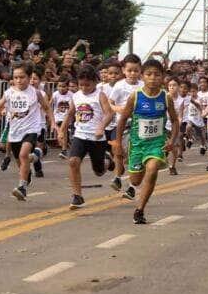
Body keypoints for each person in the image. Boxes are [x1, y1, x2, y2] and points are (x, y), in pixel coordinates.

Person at [115, 58, 180, 224]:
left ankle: (140, 210)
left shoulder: (166, 98)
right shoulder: (135, 97)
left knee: (152, 169)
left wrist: (172, 140)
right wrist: (117, 144)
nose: (153, 78)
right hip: (137, 145)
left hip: (157, 144)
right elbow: (122, 120)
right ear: (143, 76)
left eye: (157, 75)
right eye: (149, 74)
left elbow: (174, 121)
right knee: (136, 180)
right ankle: (137, 174)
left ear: (163, 77)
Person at [0, 62, 55, 200]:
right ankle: (34, 160)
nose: (19, 80)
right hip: (15, 131)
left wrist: (53, 122)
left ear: (30, 77)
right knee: (20, 159)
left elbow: (47, 108)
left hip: (31, 129)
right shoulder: (9, 93)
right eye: (16, 77)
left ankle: (22, 187)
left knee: (24, 155)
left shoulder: (36, 93)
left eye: (22, 77)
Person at [59, 65, 114, 209]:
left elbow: (109, 113)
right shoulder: (76, 96)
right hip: (80, 135)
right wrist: (61, 130)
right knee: (73, 161)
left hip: (96, 138)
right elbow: (70, 113)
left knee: (99, 171)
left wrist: (101, 127)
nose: (84, 88)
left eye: (87, 85)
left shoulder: (99, 95)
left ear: (95, 82)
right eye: (81, 84)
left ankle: (108, 162)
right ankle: (77, 196)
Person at [108, 53, 143, 200]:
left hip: (137, 126)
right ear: (124, 70)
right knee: (118, 152)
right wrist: (120, 110)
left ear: (140, 71)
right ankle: (117, 176)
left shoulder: (143, 86)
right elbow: (110, 103)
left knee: (131, 155)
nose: (133, 74)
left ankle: (132, 186)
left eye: (136, 70)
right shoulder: (119, 86)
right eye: (130, 70)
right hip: (120, 124)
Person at [165, 77, 185, 176]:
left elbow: (180, 115)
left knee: (174, 148)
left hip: (174, 126)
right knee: (164, 146)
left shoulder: (181, 100)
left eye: (174, 85)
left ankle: (172, 166)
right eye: (170, 85)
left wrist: (178, 125)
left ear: (178, 87)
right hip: (164, 126)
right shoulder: (164, 97)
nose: (172, 87)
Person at [52, 75, 73, 159]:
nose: (61, 88)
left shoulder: (71, 95)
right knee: (60, 135)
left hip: (67, 117)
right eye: (59, 86)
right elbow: (50, 103)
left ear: (67, 87)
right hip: (57, 116)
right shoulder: (55, 94)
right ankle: (65, 144)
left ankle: (64, 150)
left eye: (63, 86)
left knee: (63, 131)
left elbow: (72, 107)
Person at [186, 82, 206, 156]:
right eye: (190, 91)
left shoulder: (199, 98)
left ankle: (203, 145)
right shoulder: (187, 98)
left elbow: (199, 106)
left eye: (193, 91)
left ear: (197, 91)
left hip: (198, 118)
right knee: (188, 127)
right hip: (190, 118)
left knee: (202, 135)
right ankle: (191, 138)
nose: (192, 93)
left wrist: (193, 102)